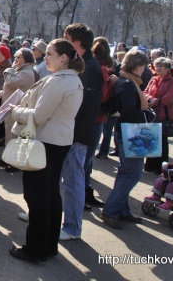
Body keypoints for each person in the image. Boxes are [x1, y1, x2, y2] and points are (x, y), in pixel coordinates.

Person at [7, 39, 84, 263]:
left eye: (49, 53)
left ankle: (35, 249)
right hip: (59, 141)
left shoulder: (59, 81)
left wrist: (16, 111)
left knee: (37, 197)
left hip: (45, 142)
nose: (45, 57)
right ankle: (48, 245)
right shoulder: (72, 80)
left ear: (64, 58)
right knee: (50, 194)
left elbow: (38, 116)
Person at [100, 49, 156, 230]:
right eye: (144, 66)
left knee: (126, 172)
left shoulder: (123, 80)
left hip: (126, 130)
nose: (145, 70)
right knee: (132, 174)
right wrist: (148, 115)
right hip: (132, 132)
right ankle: (111, 210)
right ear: (138, 66)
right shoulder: (127, 84)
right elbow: (130, 111)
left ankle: (121, 209)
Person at [58, 23, 103, 242]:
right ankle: (51, 216)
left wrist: (73, 137)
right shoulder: (83, 65)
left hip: (77, 137)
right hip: (69, 133)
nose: (63, 40)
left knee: (73, 182)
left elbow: (89, 109)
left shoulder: (91, 68)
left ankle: (72, 228)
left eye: (66, 37)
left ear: (77, 43)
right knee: (62, 180)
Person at [84, 37, 116, 211]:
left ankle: (85, 190)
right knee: (86, 157)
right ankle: (82, 193)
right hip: (96, 117)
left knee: (87, 158)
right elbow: (101, 96)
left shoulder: (94, 66)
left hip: (95, 117)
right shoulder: (101, 69)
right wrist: (112, 84)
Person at [0, 47, 37, 171]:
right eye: (15, 57)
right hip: (11, 106)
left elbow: (11, 82)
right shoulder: (21, 70)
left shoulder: (27, 72)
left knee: (13, 135)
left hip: (17, 108)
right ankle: (7, 158)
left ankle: (14, 162)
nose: (16, 59)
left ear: (27, 59)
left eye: (19, 57)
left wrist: (9, 69)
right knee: (9, 133)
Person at [143, 57, 173, 173]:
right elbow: (145, 92)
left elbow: (169, 97)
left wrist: (156, 101)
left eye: (160, 66)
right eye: (156, 66)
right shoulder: (153, 79)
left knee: (162, 140)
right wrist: (150, 98)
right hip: (152, 113)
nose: (157, 68)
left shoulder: (172, 81)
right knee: (151, 138)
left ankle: (160, 167)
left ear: (167, 68)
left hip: (164, 114)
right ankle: (150, 165)